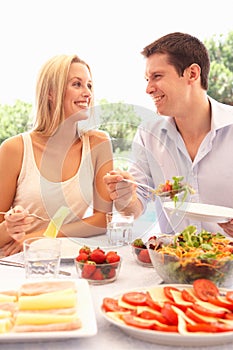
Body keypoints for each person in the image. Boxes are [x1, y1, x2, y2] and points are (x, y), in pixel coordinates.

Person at [103, 32, 233, 238]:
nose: (148, 89)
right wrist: (125, 197)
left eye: (157, 76)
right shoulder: (148, 135)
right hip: (175, 264)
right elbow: (135, 208)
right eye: (147, 79)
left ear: (192, 74)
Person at [0, 54, 113, 256]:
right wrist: (10, 227)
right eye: (76, 84)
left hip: (67, 259)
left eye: (89, 85)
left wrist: (45, 235)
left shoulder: (98, 144)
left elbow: (103, 219)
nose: (87, 93)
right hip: (16, 260)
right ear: (51, 93)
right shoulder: (15, 149)